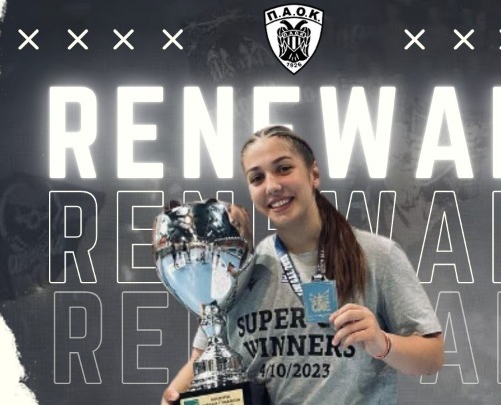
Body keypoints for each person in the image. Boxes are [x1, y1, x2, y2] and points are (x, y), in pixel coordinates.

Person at [162, 125, 444, 404]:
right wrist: (173, 397)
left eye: (284, 169)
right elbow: (204, 357)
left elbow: (432, 357)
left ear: (314, 174)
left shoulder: (377, 255)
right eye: (257, 178)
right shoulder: (241, 269)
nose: (272, 186)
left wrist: (382, 343)